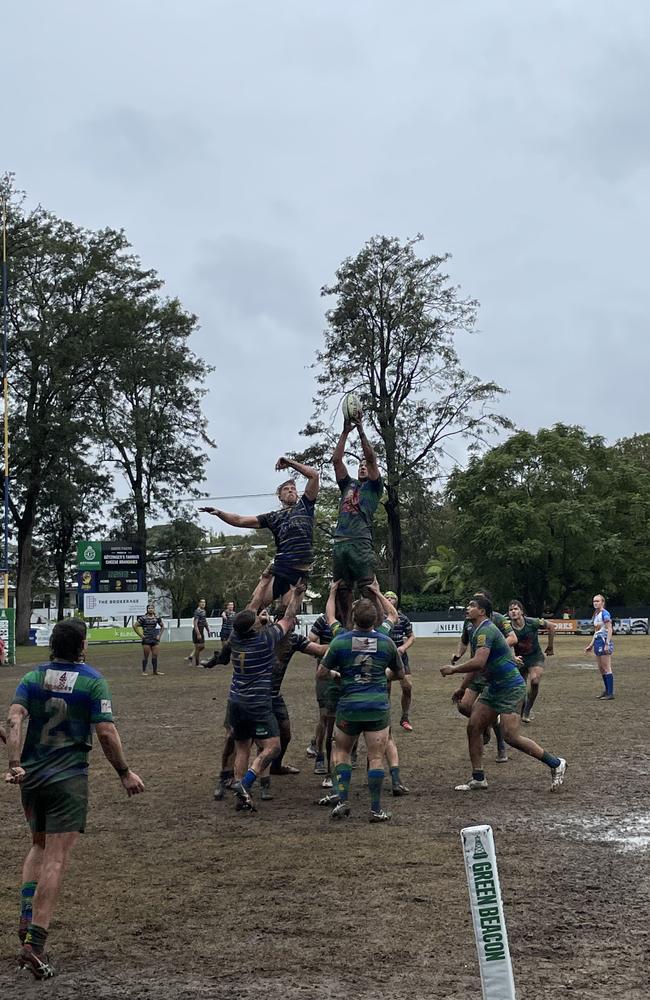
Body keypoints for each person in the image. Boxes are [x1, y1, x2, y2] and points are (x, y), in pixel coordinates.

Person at [4, 618, 144, 980]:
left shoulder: (33, 678)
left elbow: (14, 719)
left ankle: (26, 915)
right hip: (68, 780)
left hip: (31, 778)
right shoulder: (92, 680)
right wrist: (124, 772)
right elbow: (106, 732)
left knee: (37, 846)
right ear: (81, 645)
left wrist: (15, 762)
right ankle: (34, 944)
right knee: (56, 858)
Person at [440, 595, 567, 793]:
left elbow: (479, 662)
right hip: (494, 687)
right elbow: (476, 666)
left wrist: (453, 669)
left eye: (472, 606)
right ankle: (478, 778)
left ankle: (556, 763)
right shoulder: (476, 630)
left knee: (511, 736)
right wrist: (463, 687)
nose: (467, 608)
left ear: (482, 611)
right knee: (473, 726)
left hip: (511, 688)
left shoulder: (487, 630)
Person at [317, 594, 404, 823]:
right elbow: (400, 674)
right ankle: (375, 810)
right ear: (376, 621)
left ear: (353, 618)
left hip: (349, 706)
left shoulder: (341, 641)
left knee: (342, 752)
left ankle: (343, 801)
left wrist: (339, 676)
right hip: (377, 706)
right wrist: (384, 674)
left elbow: (321, 674)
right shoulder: (387, 643)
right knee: (376, 757)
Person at [199, 455, 319, 608]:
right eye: (286, 489)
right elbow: (240, 520)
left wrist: (289, 463)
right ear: (279, 496)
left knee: (288, 616)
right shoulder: (273, 517)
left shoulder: (306, 505)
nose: (290, 491)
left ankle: (278, 628)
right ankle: (249, 629)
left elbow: (314, 475)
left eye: (293, 489)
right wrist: (219, 513)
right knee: (253, 607)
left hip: (300, 572)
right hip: (281, 568)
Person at [228, 583, 305, 812]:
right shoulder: (265, 640)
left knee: (242, 748)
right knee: (272, 747)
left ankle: (242, 796)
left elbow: (251, 608)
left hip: (236, 701)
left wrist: (264, 579)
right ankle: (246, 784)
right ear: (254, 626)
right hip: (257, 703)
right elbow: (289, 618)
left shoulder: (235, 637)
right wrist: (298, 595)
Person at [451, 590, 517, 762]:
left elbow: (512, 638)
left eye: (477, 601)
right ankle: (485, 728)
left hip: (491, 670)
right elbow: (464, 641)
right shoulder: (469, 623)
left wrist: (497, 647)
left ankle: (501, 747)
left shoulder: (497, 620)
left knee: (488, 708)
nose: (471, 604)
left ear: (485, 606)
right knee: (464, 706)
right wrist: (458, 655)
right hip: (477, 671)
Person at [331, 410, 383, 627]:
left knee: (368, 588)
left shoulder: (374, 486)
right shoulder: (348, 484)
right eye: (359, 465)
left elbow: (371, 458)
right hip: (341, 542)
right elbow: (336, 460)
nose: (363, 466)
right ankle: (347, 630)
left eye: (365, 465)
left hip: (360, 541)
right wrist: (345, 432)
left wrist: (361, 429)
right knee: (341, 590)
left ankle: (378, 631)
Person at [507, 600, 555, 721]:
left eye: (516, 609)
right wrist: (513, 657)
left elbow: (551, 626)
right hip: (519, 660)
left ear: (521, 612)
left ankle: (527, 709)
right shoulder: (507, 627)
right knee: (520, 688)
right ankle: (520, 710)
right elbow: (507, 644)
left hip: (535, 657)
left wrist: (550, 646)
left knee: (534, 681)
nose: (513, 611)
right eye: (511, 610)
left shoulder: (532, 622)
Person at [385, 591, 415, 731]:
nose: (390, 599)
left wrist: (403, 647)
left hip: (401, 657)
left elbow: (411, 637)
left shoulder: (403, 618)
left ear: (396, 601)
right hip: (385, 657)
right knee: (386, 689)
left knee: (407, 687)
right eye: (387, 597)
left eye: (392, 597)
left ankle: (405, 717)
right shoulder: (379, 618)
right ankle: (385, 719)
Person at [585, 593, 614, 699]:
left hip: (603, 642)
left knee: (606, 667)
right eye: (594, 601)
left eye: (597, 601)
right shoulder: (596, 614)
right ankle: (606, 691)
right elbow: (596, 632)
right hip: (598, 642)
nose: (595, 603)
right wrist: (591, 645)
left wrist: (607, 643)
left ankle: (610, 693)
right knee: (601, 668)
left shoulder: (605, 614)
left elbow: (609, 629)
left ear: (603, 602)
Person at [133, 603, 165, 675]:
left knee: (155, 655)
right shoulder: (143, 618)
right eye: (149, 608)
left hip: (154, 638)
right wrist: (141, 635)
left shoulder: (157, 618)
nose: (150, 609)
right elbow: (135, 626)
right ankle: (144, 671)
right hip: (146, 639)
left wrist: (159, 636)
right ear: (147, 610)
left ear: (154, 609)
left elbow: (163, 626)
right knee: (146, 655)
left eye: (152, 608)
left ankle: (155, 671)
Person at [185, 598, 211, 666]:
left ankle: (192, 657)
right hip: (197, 630)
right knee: (199, 646)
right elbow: (195, 623)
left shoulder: (203, 611)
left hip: (201, 629)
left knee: (201, 647)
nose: (203, 604)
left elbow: (204, 621)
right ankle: (197, 663)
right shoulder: (197, 611)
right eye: (202, 602)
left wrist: (208, 630)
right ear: (199, 603)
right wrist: (198, 633)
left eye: (204, 602)